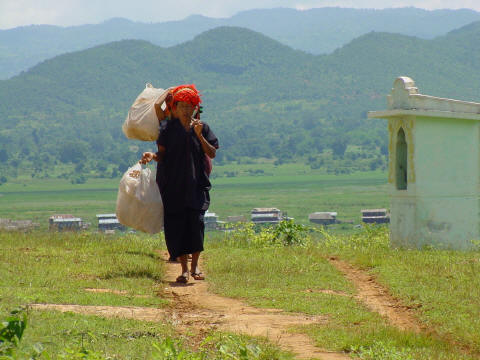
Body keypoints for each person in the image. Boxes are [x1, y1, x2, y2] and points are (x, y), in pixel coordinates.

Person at [140, 84, 219, 283]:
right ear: (174, 108)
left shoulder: (203, 128)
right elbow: (163, 155)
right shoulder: (167, 129)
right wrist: (152, 156)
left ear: (195, 108)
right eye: (181, 106)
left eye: (189, 106)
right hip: (172, 186)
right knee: (176, 226)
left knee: (196, 224)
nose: (185, 110)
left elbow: (212, 153)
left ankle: (195, 266)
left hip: (196, 185)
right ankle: (183, 269)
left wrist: (200, 135)